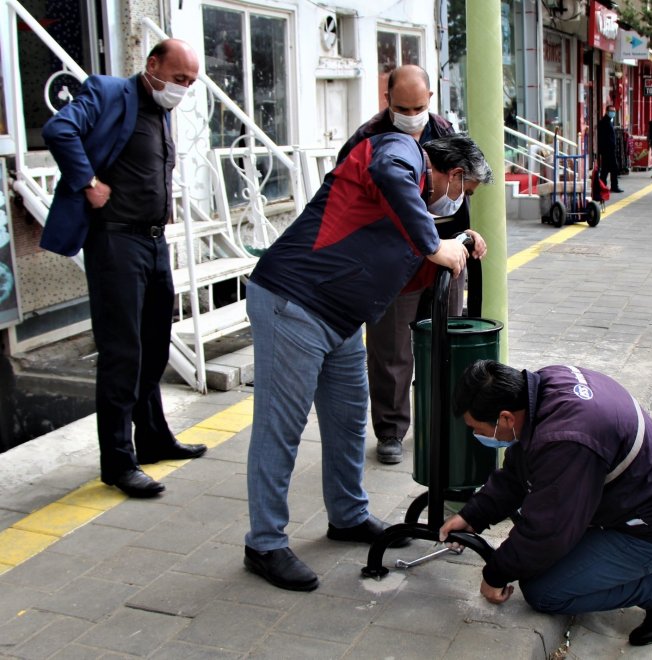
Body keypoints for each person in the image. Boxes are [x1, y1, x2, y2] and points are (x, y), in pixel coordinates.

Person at [243, 134, 492, 592]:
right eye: (466, 191)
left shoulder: (411, 206)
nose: (460, 201)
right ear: (454, 174)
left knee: (350, 418)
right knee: (280, 428)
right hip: (293, 302)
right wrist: (434, 243)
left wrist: (452, 244)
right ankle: (264, 542)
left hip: (337, 318)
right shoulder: (400, 151)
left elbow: (406, 264)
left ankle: (348, 514)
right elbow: (387, 173)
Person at [440, 360, 652, 647]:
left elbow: (548, 532)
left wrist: (495, 574)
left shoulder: (566, 440)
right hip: (647, 500)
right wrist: (474, 514)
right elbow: (520, 472)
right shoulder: (544, 385)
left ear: (506, 418)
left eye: (479, 429)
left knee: (542, 590)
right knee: (533, 521)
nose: (478, 437)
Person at [40, 39, 207, 498]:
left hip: (153, 242)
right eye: (178, 79)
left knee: (154, 346)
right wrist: (87, 181)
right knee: (122, 354)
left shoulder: (161, 110)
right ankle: (117, 463)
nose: (182, 90)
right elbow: (59, 130)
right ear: (152, 65)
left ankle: (152, 437)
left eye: (190, 84)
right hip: (115, 241)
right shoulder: (109, 91)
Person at [336, 64, 480, 464]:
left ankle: (440, 422)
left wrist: (468, 234)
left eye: (418, 106)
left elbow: (463, 184)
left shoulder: (444, 130)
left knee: (443, 344)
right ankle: (391, 431)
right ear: (387, 101)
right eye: (403, 107)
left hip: (443, 257)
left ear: (430, 100)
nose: (411, 114)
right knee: (390, 353)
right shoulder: (367, 139)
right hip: (391, 265)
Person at [596, 104, 623, 192]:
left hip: (609, 149)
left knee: (605, 169)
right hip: (607, 150)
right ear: (607, 111)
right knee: (613, 168)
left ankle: (602, 186)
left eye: (614, 111)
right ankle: (613, 186)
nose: (613, 113)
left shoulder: (609, 121)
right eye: (611, 111)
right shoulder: (604, 122)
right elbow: (603, 138)